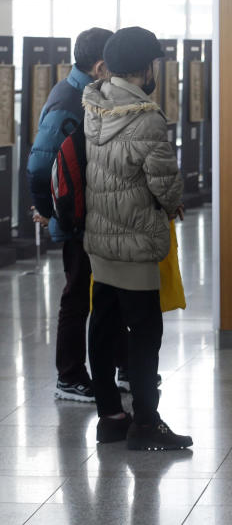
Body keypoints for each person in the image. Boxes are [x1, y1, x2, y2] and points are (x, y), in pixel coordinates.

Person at [83, 26, 192, 451]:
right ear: (145, 68)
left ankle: (110, 417)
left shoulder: (93, 103)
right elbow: (164, 183)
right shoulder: (146, 116)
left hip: (100, 236)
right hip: (136, 242)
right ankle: (146, 423)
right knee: (145, 335)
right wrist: (171, 204)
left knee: (103, 324)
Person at [27, 28, 116, 403]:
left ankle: (103, 371)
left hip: (85, 213)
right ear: (99, 67)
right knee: (77, 295)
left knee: (92, 294)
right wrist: (51, 214)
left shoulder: (86, 93)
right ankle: (70, 376)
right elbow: (38, 164)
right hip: (75, 216)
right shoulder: (69, 99)